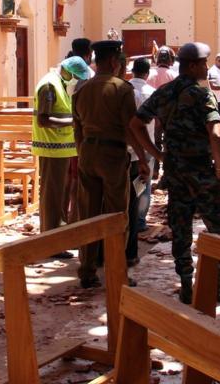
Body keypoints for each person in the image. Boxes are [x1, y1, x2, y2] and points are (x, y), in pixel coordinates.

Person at [130, 42, 220, 305]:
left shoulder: (164, 93)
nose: (207, 68)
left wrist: (158, 155)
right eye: (204, 63)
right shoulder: (201, 94)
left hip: (176, 172)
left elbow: (136, 124)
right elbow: (216, 135)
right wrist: (219, 167)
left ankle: (186, 284)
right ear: (193, 65)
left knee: (180, 226)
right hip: (201, 171)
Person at [72, 41, 148, 287]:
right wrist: (143, 158)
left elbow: (77, 130)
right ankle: (117, 270)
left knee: (89, 213)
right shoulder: (121, 89)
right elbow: (130, 129)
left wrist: (83, 152)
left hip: (87, 153)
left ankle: (87, 270)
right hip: (112, 155)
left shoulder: (82, 90)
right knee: (117, 215)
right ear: (114, 61)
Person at [32, 56, 91, 243]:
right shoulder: (49, 85)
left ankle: (58, 235)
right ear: (66, 70)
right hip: (52, 148)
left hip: (62, 149)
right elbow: (43, 120)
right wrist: (72, 122)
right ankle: (51, 240)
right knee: (52, 197)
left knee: (59, 196)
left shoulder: (59, 83)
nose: (75, 80)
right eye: (75, 76)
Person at [128, 58, 156, 235]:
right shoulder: (151, 92)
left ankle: (128, 217)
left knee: (129, 181)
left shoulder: (126, 90)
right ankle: (139, 220)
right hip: (147, 143)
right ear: (147, 73)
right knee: (144, 183)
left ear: (132, 71)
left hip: (128, 144)